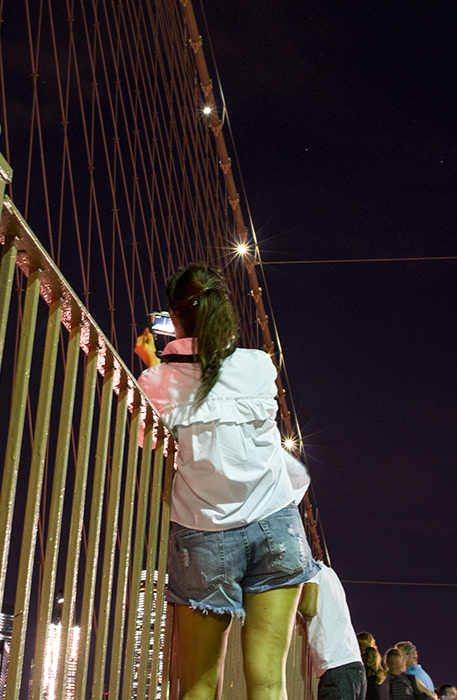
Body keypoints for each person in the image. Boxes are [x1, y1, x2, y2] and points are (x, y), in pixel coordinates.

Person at [134, 263, 318, 700]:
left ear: (175, 320)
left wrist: (155, 362)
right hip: (277, 525)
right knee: (269, 683)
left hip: (203, 535)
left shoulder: (156, 382)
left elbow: (146, 440)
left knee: (198, 686)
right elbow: (217, 378)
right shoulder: (259, 366)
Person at [298, 561, 366, 700]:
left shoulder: (310, 569)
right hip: (353, 667)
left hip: (337, 668)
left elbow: (309, 609)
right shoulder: (329, 572)